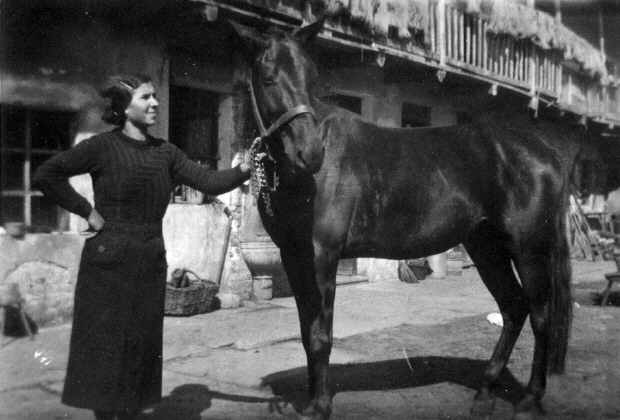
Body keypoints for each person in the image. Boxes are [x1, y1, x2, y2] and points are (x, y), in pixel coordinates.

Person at [33, 74, 251, 420]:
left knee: (139, 349)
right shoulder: (101, 147)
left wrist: (244, 169)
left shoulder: (166, 153)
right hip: (106, 265)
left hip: (149, 260)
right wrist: (87, 211)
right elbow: (46, 175)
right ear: (124, 107)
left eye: (155, 97)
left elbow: (208, 180)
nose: (155, 103)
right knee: (105, 350)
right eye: (146, 98)